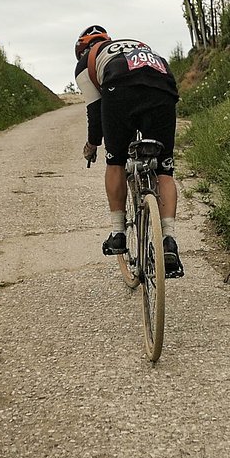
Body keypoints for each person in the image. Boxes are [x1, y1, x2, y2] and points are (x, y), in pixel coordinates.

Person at [74, 24, 183, 277]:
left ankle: (118, 234)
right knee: (164, 168)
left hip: (119, 87)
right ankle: (169, 240)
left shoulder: (86, 61)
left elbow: (95, 113)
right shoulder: (137, 45)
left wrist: (93, 145)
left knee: (116, 162)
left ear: (82, 49)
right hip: (163, 84)